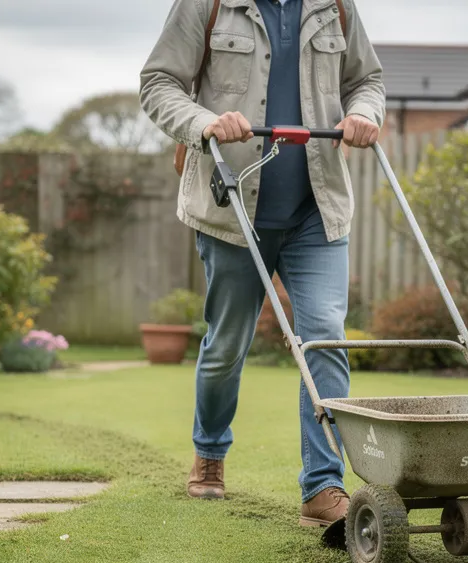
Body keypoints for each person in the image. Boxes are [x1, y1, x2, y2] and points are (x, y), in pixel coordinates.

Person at [140, 0, 385, 527]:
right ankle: (209, 452)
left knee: (324, 336)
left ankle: (323, 486)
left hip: (316, 210)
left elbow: (367, 81)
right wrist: (204, 121)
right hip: (234, 209)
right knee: (227, 343)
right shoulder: (208, 4)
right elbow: (159, 82)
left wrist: (364, 112)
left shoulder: (335, 6)